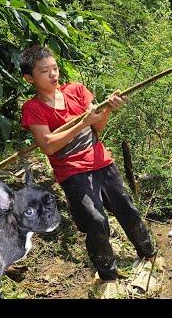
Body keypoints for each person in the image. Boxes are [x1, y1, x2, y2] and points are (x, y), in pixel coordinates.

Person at [19, 44, 158, 298]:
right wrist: (83, 121)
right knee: (95, 220)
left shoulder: (76, 91)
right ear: (29, 78)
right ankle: (108, 277)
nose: (53, 74)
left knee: (127, 209)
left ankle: (149, 255)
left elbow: (98, 127)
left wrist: (106, 110)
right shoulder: (33, 109)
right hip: (72, 172)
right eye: (44, 71)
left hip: (102, 163)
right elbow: (48, 145)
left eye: (55, 68)